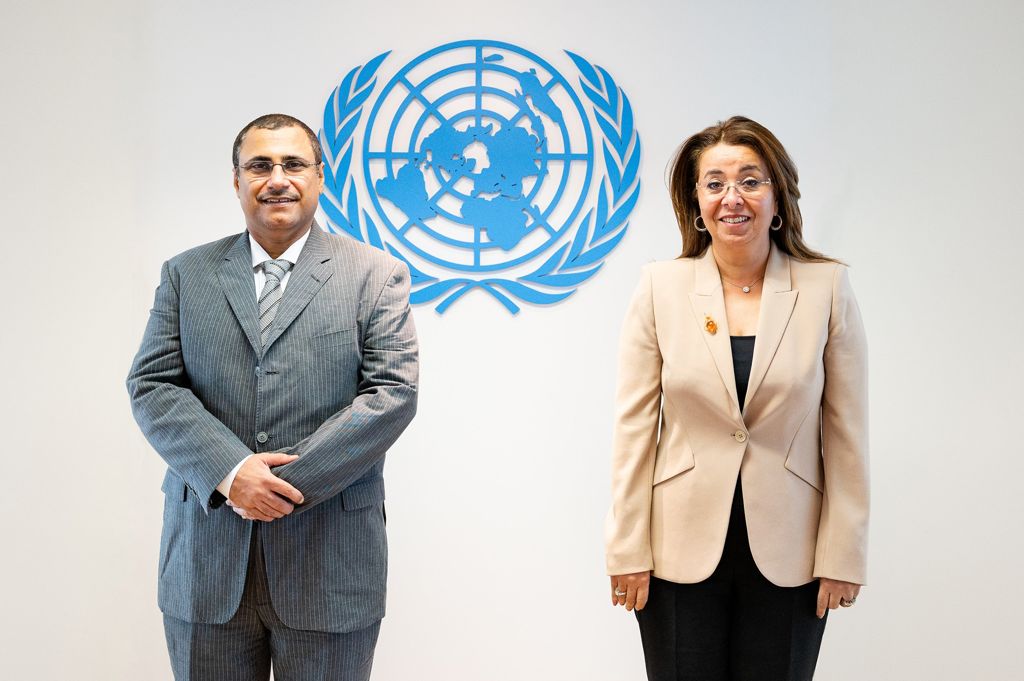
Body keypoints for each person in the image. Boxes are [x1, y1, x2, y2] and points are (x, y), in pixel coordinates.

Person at [127, 113, 418, 681]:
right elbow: (153, 384)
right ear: (236, 180)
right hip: (206, 561)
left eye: (293, 164)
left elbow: (392, 393)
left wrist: (280, 487)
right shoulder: (186, 274)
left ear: (319, 177)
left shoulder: (375, 275)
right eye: (259, 165)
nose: (277, 179)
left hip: (330, 562)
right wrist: (231, 473)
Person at [605, 116, 868, 680]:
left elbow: (847, 434)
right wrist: (626, 548)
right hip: (676, 551)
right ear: (696, 203)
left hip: (792, 553)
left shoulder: (825, 287)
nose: (733, 197)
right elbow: (633, 430)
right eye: (715, 183)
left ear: (778, 198)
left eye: (751, 181)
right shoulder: (660, 287)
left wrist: (843, 552)